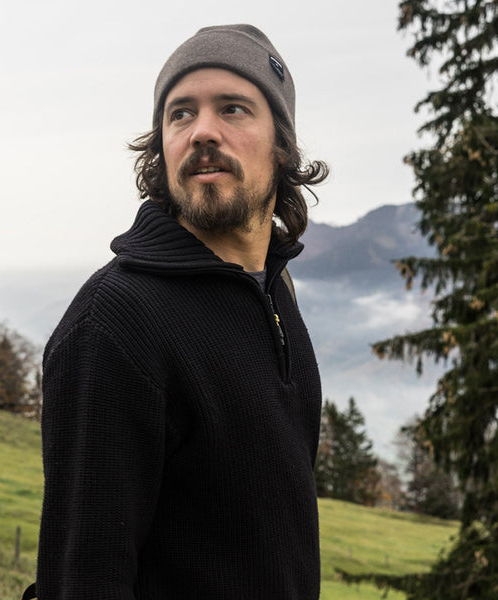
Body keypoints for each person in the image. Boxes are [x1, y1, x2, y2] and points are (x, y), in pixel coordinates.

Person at [33, 24, 328, 600]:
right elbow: (83, 580)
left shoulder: (275, 292)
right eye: (181, 114)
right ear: (161, 146)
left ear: (283, 145)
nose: (203, 132)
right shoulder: (114, 324)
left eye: (233, 109)